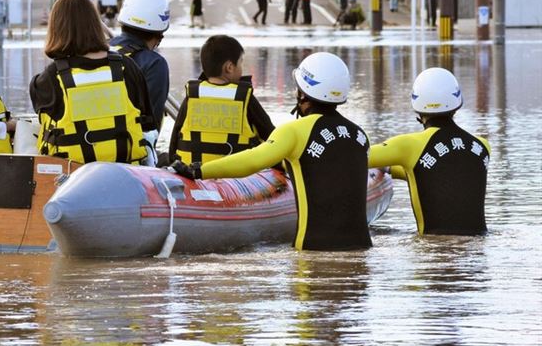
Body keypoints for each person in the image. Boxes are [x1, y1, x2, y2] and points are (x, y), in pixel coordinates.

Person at [172, 52, 373, 251]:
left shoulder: (294, 131)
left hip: (314, 251)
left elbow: (253, 160)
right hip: (362, 253)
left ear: (303, 93)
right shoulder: (359, 135)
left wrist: (199, 171)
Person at [30, 0, 157, 164]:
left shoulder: (48, 79)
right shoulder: (127, 67)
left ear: (56, 28)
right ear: (95, 25)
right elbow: (148, 127)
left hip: (73, 180)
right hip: (125, 176)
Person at [369, 68, 489, 236]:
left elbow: (356, 155)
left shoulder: (408, 146)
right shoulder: (482, 147)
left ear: (417, 105)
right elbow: (441, 175)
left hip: (433, 250)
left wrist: (382, 168)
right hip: (478, 248)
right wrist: (390, 170)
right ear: (457, 102)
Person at [169, 35, 274, 165]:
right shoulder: (244, 97)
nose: (242, 69)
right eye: (241, 63)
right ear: (229, 67)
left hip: (193, 174)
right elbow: (273, 137)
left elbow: (175, 139)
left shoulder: (193, 95)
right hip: (237, 178)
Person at [110, 0, 171, 131]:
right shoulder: (154, 64)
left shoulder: (100, 50)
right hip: (131, 149)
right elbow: (150, 126)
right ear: (159, 34)